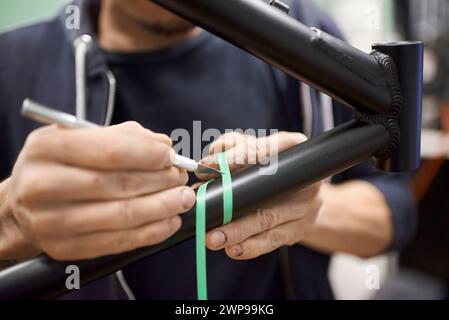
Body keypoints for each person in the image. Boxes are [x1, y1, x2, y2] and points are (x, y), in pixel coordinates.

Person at [0, 0, 416, 299]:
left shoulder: (304, 38)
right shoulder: (14, 60)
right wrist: (13, 222)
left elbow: (394, 211)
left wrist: (312, 208)